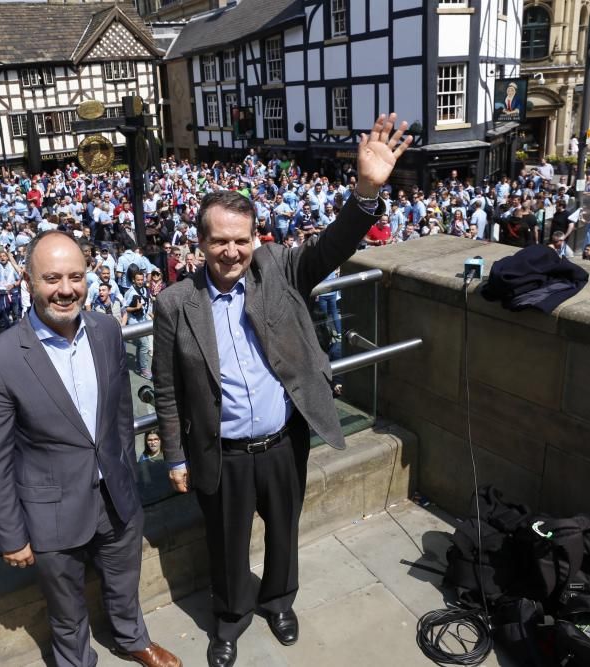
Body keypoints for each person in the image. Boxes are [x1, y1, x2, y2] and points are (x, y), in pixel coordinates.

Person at [152, 114, 411, 667]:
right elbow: (167, 387)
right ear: (200, 243)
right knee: (225, 545)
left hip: (281, 442)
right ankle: (230, 619)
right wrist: (174, 454)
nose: (231, 251)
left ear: (255, 240)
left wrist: (365, 191)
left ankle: (279, 601)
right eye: (220, 240)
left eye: (241, 240)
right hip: (221, 452)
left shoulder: (279, 270)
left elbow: (330, 248)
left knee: (284, 533)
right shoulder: (175, 303)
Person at [0, 231, 181, 667]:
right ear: (28, 282)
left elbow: (120, 414)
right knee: (66, 609)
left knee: (125, 580)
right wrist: (12, 535)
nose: (65, 290)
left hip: (116, 495)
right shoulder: (0, 359)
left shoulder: (106, 330)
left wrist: (124, 470)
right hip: (51, 510)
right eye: (51, 278)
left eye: (75, 277)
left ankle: (131, 638)